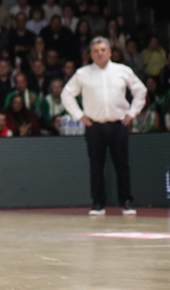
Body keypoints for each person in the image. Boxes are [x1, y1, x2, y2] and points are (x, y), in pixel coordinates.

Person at [61, 37, 146, 216]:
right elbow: (67, 94)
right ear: (91, 54)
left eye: (103, 50)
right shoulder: (82, 74)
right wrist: (79, 116)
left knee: (122, 165)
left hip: (118, 124)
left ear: (109, 52)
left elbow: (141, 91)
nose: (100, 53)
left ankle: (127, 201)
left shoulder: (123, 71)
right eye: (96, 50)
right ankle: (98, 203)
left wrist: (132, 113)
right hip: (95, 126)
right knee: (96, 166)